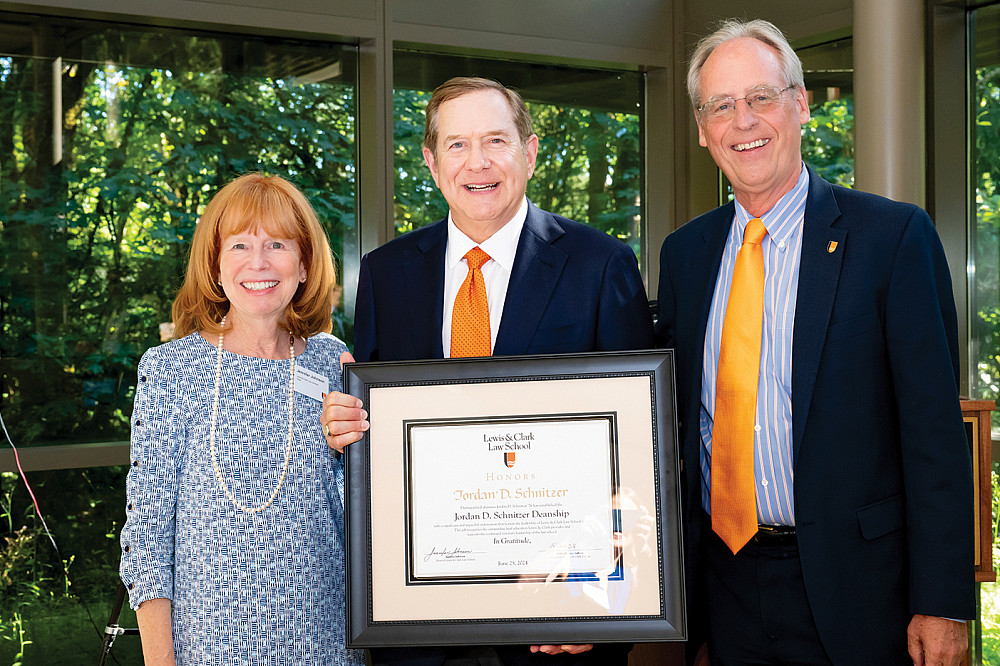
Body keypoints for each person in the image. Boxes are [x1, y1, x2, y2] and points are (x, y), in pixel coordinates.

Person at [655, 18, 974, 666]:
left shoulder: (891, 239)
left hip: (859, 591)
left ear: (800, 104)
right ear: (702, 129)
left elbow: (934, 436)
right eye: (722, 105)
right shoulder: (685, 255)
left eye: (761, 97)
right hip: (725, 588)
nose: (743, 120)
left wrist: (943, 601)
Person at [322, 77, 654, 666]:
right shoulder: (386, 275)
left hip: (559, 621)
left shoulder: (600, 265)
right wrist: (345, 425)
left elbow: (639, 448)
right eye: (457, 145)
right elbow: (375, 438)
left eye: (496, 140)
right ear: (430, 161)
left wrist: (611, 603)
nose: (478, 162)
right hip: (421, 623)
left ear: (529, 151)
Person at [119, 173, 365, 666]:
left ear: (303, 264)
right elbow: (146, 537)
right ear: (214, 266)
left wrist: (352, 452)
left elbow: (361, 519)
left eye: (277, 243)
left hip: (325, 645)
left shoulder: (333, 363)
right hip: (207, 649)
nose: (258, 262)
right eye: (238, 245)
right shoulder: (170, 370)